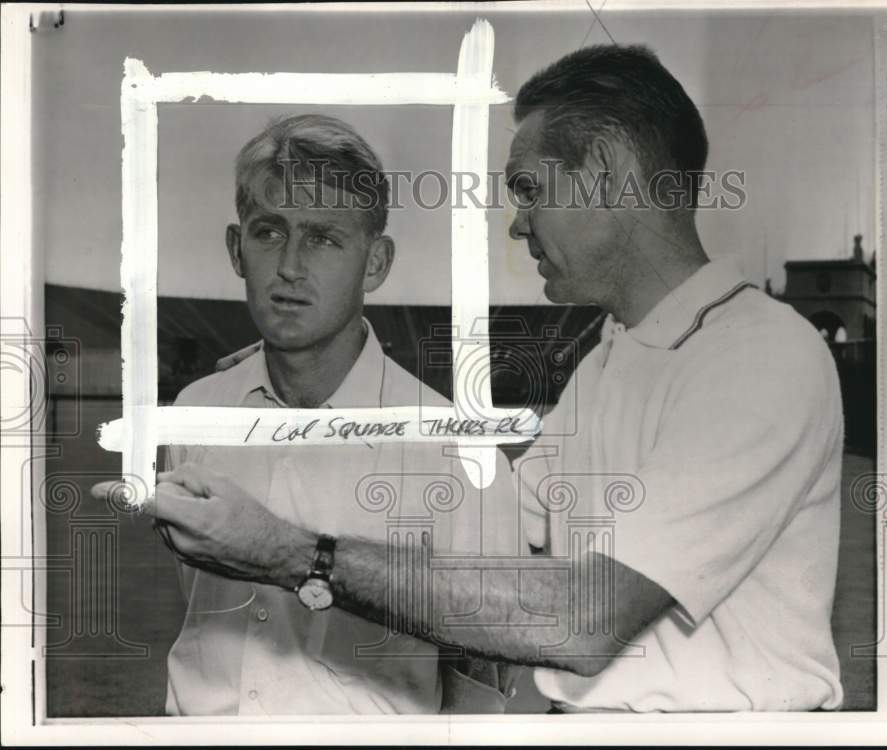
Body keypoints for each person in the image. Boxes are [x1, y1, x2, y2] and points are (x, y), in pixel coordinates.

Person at [145, 46, 845, 712]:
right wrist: (298, 386)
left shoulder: (759, 354)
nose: (518, 224)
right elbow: (496, 524)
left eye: (529, 189)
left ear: (603, 170)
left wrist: (291, 554)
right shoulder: (613, 357)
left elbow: (582, 618)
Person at [143, 114, 517, 715]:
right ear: (237, 250)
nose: (290, 265)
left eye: (323, 238)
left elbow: (482, 680)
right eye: (270, 232)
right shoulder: (194, 413)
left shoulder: (460, 454)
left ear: (375, 262)